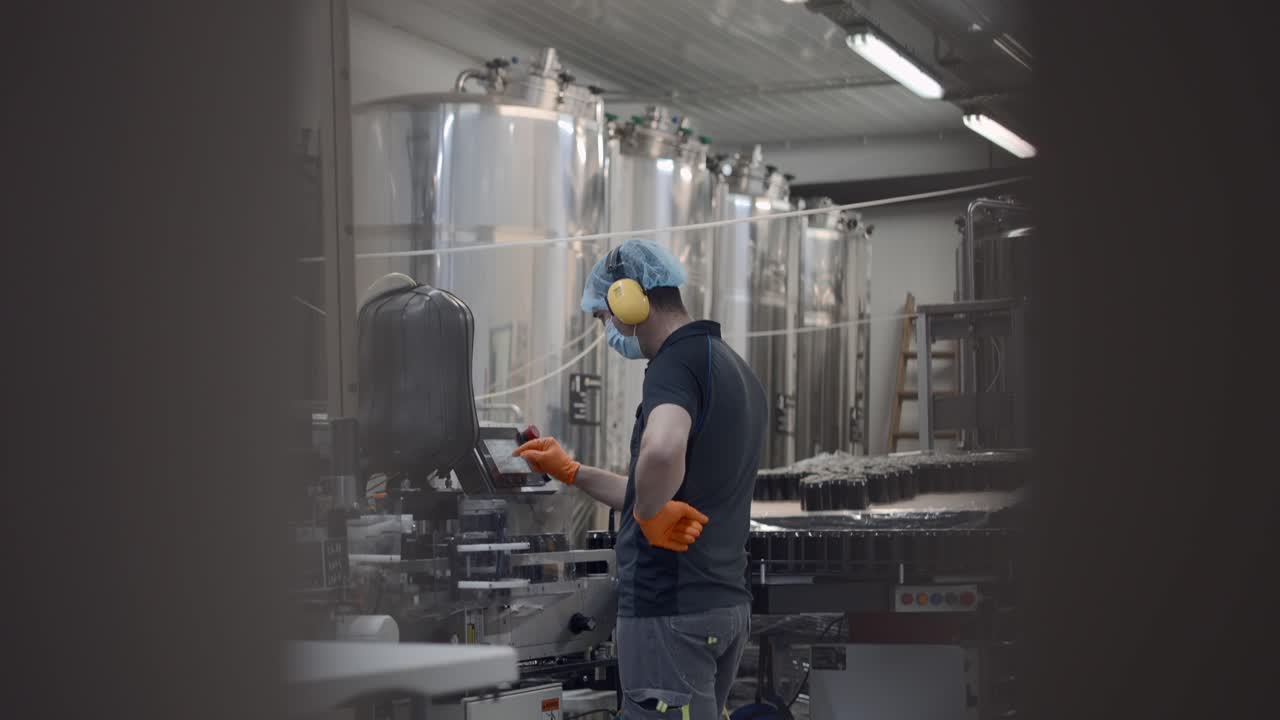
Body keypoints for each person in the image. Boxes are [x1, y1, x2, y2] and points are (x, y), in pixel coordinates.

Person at [515, 239, 768, 719]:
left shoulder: (675, 364)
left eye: (604, 317)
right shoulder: (732, 366)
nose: (607, 330)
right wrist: (570, 471)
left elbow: (662, 451)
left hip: (670, 609)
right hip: (724, 604)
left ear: (629, 299)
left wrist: (650, 514)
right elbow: (652, 486)